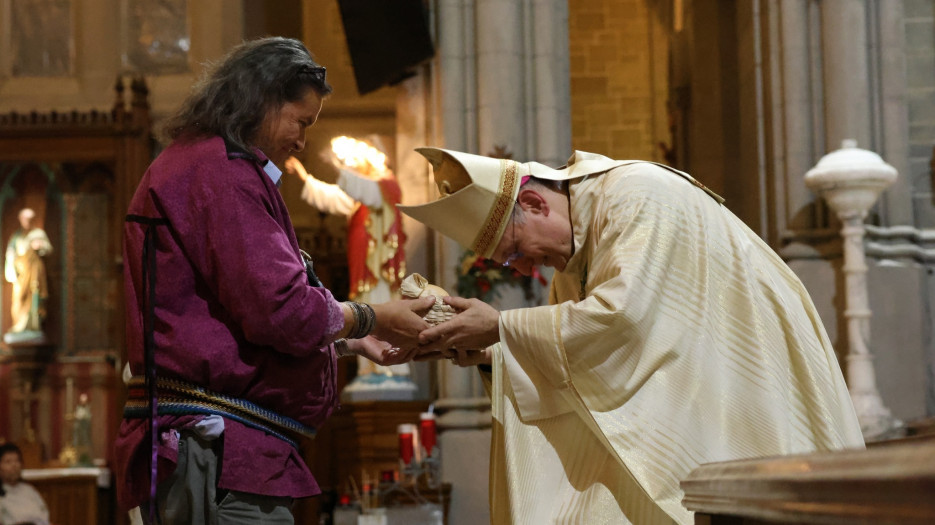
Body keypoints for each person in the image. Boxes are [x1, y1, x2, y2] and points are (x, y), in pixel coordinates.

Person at [401, 147, 865, 524]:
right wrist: (490, 352)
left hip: (756, 393)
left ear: (536, 203)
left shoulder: (637, 195)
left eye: (516, 252)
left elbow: (624, 321)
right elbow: (576, 359)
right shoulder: (576, 256)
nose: (524, 269)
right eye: (509, 264)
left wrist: (502, 326)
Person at [115, 37, 436, 525]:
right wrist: (370, 315)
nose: (303, 139)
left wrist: (352, 342)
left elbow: (231, 321)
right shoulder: (220, 172)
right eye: (302, 121)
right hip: (218, 455)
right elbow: (281, 310)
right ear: (261, 100)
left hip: (224, 448)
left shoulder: (204, 164)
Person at [285, 138, 415, 401]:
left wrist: (340, 163)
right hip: (362, 266)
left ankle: (392, 369)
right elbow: (335, 197)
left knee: (381, 308)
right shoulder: (365, 191)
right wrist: (304, 176)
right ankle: (369, 368)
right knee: (365, 309)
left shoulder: (386, 184)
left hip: (379, 269)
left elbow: (359, 188)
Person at [4, 208, 52, 341]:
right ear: (20, 220)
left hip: (34, 271)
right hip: (21, 273)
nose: (26, 221)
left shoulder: (38, 233)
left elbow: (48, 249)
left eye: (29, 219)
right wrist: (11, 268)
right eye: (24, 219)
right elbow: (10, 253)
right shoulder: (16, 235)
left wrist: (40, 246)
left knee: (34, 297)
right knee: (18, 299)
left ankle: (33, 326)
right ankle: (19, 326)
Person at [0, 442, 50, 525]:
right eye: (8, 462)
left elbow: (44, 515)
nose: (14, 465)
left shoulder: (29, 490)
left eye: (17, 461)